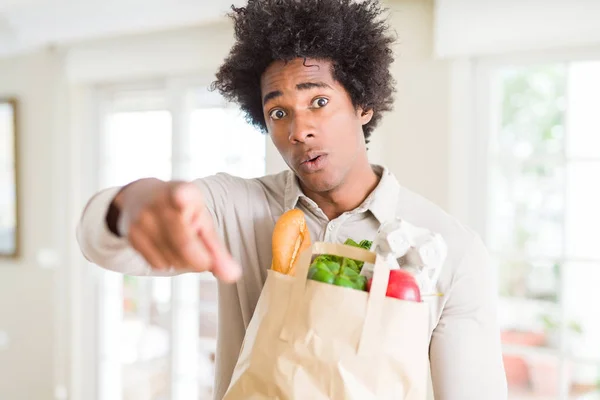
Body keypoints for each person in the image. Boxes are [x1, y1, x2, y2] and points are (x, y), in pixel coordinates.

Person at [76, 0, 508, 398]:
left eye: (318, 100)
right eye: (278, 112)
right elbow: (98, 243)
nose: (298, 130)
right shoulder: (236, 209)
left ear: (362, 104)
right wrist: (132, 205)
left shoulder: (452, 249)